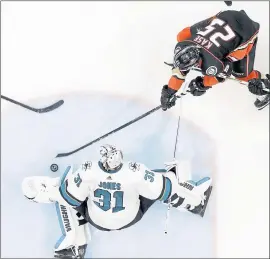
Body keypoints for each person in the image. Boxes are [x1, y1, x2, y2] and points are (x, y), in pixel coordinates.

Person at [22, 144, 212, 258]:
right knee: (167, 180)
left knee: (65, 193)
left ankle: (74, 244)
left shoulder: (88, 171)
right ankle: (194, 203)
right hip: (131, 217)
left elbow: (69, 196)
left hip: (97, 220)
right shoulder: (134, 171)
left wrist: (51, 193)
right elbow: (164, 189)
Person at [160, 9, 269, 111]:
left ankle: (265, 84)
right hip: (227, 15)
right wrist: (169, 91)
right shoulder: (183, 43)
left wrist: (203, 84)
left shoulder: (212, 64)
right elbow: (180, 72)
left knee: (240, 74)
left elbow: (225, 73)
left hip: (246, 29)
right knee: (182, 35)